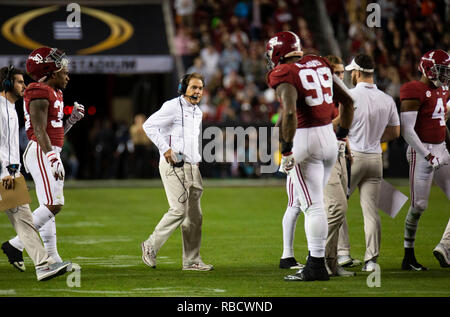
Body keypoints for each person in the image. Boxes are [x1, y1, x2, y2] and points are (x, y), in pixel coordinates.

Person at [267, 31, 354, 281]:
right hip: (328, 137)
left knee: (312, 206)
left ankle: (315, 266)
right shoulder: (320, 63)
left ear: (277, 53)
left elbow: (291, 113)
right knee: (317, 204)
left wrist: (286, 150)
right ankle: (316, 262)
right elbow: (348, 102)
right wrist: (341, 137)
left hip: (305, 140)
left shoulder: (284, 71)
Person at [2, 47, 85, 267]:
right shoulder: (38, 90)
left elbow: (54, 132)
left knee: (49, 205)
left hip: (47, 149)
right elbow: (39, 130)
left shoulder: (55, 92)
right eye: (62, 68)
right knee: (54, 203)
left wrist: (71, 121)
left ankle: (52, 257)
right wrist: (51, 156)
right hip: (40, 150)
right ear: (49, 70)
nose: (66, 73)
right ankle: (15, 245)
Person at [141, 72, 213, 271]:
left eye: (200, 88)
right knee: (179, 210)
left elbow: (191, 139)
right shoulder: (172, 106)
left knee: (195, 217)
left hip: (192, 167)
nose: (197, 91)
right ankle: (150, 245)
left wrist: (195, 161)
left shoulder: (197, 112)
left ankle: (191, 261)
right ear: (183, 88)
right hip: (174, 165)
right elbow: (148, 126)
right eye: (193, 87)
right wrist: (165, 149)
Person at [344, 54, 400, 272]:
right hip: (375, 158)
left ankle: (342, 254)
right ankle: (371, 260)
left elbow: (339, 126)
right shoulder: (386, 99)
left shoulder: (349, 96)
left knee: (337, 206)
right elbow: (395, 132)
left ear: (357, 73)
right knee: (371, 212)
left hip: (352, 157)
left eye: (351, 72)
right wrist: (376, 139)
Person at [399, 49, 450, 271]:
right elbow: (407, 131)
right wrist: (427, 155)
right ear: (428, 68)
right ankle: (408, 255)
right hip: (421, 151)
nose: (445, 75)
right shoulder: (414, 89)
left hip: (441, 148)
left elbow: (440, 122)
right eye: (442, 70)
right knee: (419, 205)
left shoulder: (443, 90)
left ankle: (445, 247)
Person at [322, 55, 359, 277]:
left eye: (341, 73)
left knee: (337, 206)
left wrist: (346, 144)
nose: (339, 77)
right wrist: (342, 116)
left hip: (339, 151)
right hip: (322, 155)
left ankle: (331, 261)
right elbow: (323, 123)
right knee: (335, 208)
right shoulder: (321, 95)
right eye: (335, 73)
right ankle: (315, 257)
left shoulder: (337, 94)